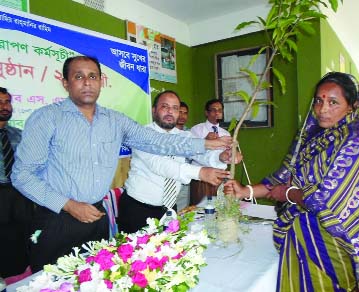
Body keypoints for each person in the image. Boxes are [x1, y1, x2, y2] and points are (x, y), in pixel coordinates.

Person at [11, 56, 231, 273]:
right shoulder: (46, 118)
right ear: (66, 83)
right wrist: (69, 205)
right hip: (57, 218)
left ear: (100, 81)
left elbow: (156, 141)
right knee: (53, 284)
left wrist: (205, 144)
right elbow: (22, 175)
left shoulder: (114, 120)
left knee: (97, 282)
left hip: (96, 218)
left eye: (93, 76)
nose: (87, 82)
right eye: (79, 76)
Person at [224, 72, 359, 291]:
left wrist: (287, 194)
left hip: (332, 237)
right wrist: (244, 191)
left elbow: (328, 198)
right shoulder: (311, 135)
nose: (323, 109)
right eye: (319, 101)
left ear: (351, 106)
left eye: (333, 102)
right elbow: (283, 176)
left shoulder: (355, 138)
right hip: (302, 231)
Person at [118, 90, 238, 233]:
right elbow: (160, 165)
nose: (170, 112)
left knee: (170, 252)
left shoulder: (184, 136)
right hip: (138, 208)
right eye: (165, 106)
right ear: (154, 110)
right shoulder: (142, 135)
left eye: (175, 108)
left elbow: (201, 155)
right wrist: (200, 173)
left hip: (169, 209)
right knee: (137, 254)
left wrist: (221, 157)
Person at [0, 87, 34, 278]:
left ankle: (19, 276)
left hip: (20, 193)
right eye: (0, 102)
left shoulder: (19, 135)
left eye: (7, 102)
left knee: (22, 236)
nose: (4, 106)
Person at [190, 99, 231, 205]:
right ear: (206, 113)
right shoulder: (196, 130)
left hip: (220, 177)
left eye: (220, 110)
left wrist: (231, 154)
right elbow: (190, 152)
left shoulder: (225, 133)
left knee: (220, 208)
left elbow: (228, 156)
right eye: (213, 110)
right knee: (200, 210)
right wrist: (205, 140)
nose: (217, 113)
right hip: (201, 179)